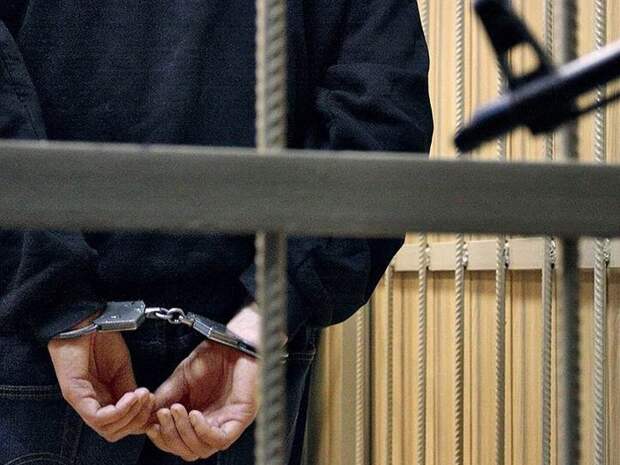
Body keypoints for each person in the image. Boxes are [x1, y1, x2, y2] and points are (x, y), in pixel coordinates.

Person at [0, 0, 432, 463]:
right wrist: (272, 307)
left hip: (42, 330)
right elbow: (382, 111)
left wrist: (52, 296)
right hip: (245, 340)